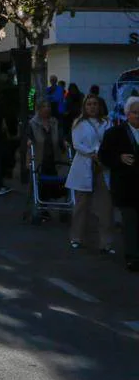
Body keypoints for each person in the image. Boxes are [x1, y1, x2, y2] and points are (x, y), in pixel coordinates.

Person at [66, 94, 114, 254]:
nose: (92, 107)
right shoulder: (79, 123)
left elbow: (109, 142)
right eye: (89, 104)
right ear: (84, 107)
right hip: (85, 164)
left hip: (102, 166)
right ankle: (77, 238)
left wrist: (101, 155)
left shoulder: (107, 123)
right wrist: (92, 153)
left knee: (105, 206)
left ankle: (105, 242)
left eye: (95, 104)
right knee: (81, 205)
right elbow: (77, 144)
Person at [98, 96, 139, 271]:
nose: (138, 116)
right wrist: (119, 158)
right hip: (125, 186)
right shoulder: (115, 133)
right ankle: (133, 258)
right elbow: (103, 156)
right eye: (135, 113)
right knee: (130, 222)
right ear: (127, 114)